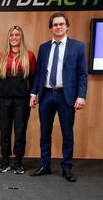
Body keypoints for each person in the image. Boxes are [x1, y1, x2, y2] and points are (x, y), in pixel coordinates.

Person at [29, 13, 87, 182]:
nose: (58, 27)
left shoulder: (78, 46)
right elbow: (39, 73)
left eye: (61, 24)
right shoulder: (44, 47)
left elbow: (82, 75)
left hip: (66, 96)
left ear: (67, 26)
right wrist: (34, 93)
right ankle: (45, 165)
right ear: (51, 28)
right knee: (44, 133)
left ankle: (67, 167)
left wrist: (81, 96)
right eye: (55, 25)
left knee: (67, 134)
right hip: (46, 95)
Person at [0, 25, 36, 174]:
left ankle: (18, 162)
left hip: (22, 101)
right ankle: (5, 161)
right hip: (4, 100)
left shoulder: (29, 56)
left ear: (21, 37)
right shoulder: (1, 56)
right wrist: (8, 90)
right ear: (8, 37)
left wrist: (31, 95)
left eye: (17, 35)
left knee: (20, 132)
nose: (14, 37)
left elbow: (32, 78)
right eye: (11, 35)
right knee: (4, 132)